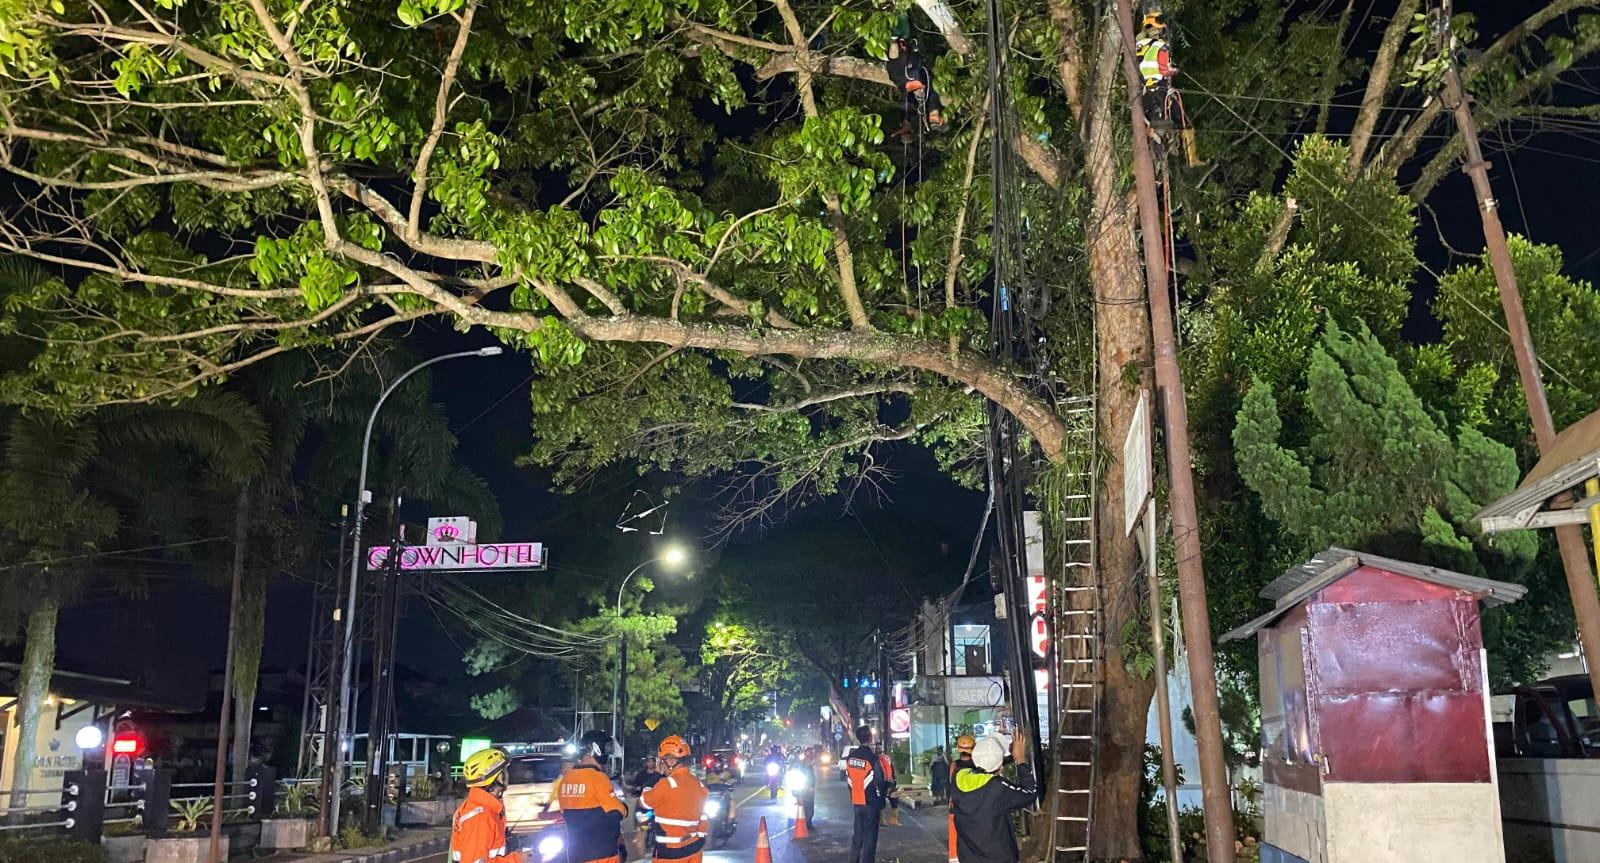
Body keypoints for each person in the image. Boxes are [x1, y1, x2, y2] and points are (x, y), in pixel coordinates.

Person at [949, 735, 1036, 863]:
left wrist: (1009, 756)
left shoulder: (958, 777)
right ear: (1000, 766)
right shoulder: (997, 788)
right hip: (998, 859)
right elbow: (1029, 793)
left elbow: (980, 766)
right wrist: (1020, 760)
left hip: (968, 858)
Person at [558, 731, 629, 863]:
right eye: (606, 748)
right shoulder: (598, 778)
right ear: (595, 749)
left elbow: (564, 814)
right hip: (602, 855)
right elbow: (618, 812)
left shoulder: (565, 780)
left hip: (575, 854)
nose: (607, 753)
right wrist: (624, 807)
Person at [640, 735, 710, 863]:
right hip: (694, 851)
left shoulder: (666, 784)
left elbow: (644, 802)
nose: (660, 765)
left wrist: (656, 775)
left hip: (669, 854)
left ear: (671, 761)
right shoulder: (699, 785)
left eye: (662, 761)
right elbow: (703, 819)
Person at [450, 747, 525, 863]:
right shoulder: (480, 817)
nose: (507, 774)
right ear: (498, 777)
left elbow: (490, 851)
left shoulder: (486, 808)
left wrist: (506, 845)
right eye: (504, 770)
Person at [845, 725, 890, 863]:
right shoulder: (872, 759)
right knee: (870, 836)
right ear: (870, 738)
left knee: (858, 835)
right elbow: (880, 781)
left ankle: (853, 860)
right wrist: (882, 799)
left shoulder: (850, 758)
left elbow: (849, 780)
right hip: (871, 803)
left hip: (857, 802)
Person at [1135, 9, 1177, 130]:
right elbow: (1164, 70)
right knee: (1171, 108)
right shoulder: (1161, 46)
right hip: (1157, 88)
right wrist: (1175, 71)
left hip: (1142, 87)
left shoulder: (1139, 44)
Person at [878, 749, 901, 827]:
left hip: (885, 783)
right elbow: (891, 771)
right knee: (890, 801)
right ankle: (887, 820)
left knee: (884, 801)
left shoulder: (882, 759)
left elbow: (891, 770)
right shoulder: (885, 759)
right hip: (887, 783)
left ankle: (888, 820)